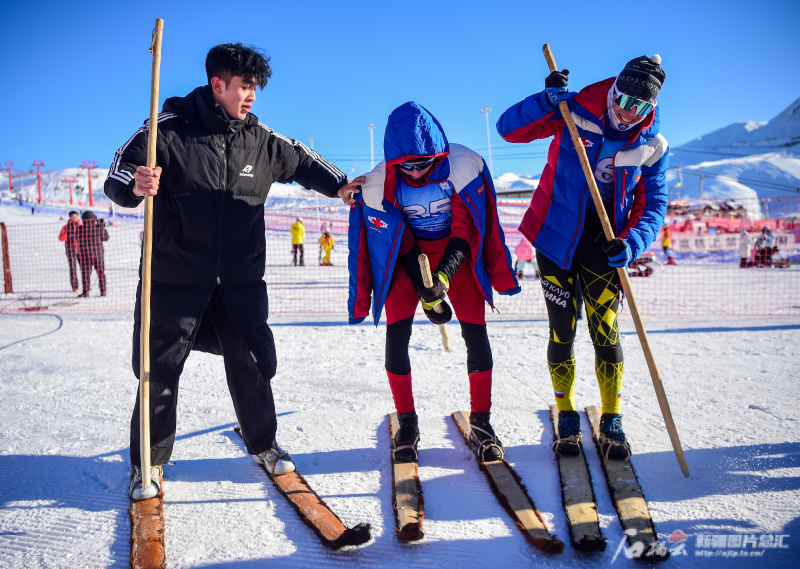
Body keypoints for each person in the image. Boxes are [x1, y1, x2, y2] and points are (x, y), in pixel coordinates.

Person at [104, 42, 362, 500]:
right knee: (158, 370)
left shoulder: (260, 140)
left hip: (238, 281)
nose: (252, 97)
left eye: (255, 88)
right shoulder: (167, 130)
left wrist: (340, 186)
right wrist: (136, 185)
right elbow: (119, 173)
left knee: (252, 359)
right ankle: (149, 461)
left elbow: (303, 160)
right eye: (245, 87)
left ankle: (263, 442)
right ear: (217, 84)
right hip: (175, 279)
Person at [497, 55, 669, 460]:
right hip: (555, 235)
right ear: (613, 90)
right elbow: (509, 131)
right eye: (625, 99)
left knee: (605, 330)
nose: (629, 112)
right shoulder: (573, 110)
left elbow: (654, 204)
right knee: (563, 330)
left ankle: (612, 420)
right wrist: (544, 100)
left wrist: (632, 242)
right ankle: (567, 415)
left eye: (642, 107)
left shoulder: (652, 145)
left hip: (605, 242)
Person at [347, 102, 520, 463]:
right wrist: (424, 286)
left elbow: (465, 228)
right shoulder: (378, 184)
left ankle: (482, 422)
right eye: (406, 165)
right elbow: (398, 239)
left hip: (455, 252)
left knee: (476, 332)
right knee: (396, 337)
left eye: (424, 163)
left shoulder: (463, 166)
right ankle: (407, 423)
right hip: (407, 257)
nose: (415, 172)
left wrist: (443, 277)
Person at [76, 211, 109, 297]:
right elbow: (106, 237)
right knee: (101, 274)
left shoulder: (80, 229)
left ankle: (85, 292)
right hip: (97, 255)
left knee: (85, 274)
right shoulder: (97, 228)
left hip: (85, 255)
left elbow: (76, 238)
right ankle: (103, 291)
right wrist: (101, 226)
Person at [58, 211, 81, 292]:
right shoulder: (66, 227)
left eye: (76, 216)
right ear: (70, 217)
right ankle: (75, 286)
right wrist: (68, 235)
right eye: (73, 217)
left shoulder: (81, 226)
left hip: (81, 250)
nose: (75, 218)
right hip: (70, 251)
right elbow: (61, 238)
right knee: (73, 269)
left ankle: (86, 285)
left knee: (85, 268)